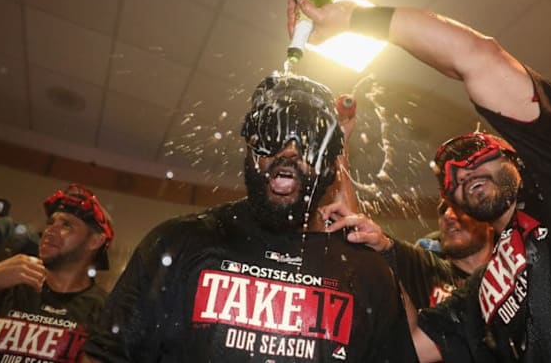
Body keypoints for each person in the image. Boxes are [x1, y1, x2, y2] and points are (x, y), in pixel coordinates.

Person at [293, 0, 551, 362]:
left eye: (475, 155)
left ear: (518, 160)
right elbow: (414, 344)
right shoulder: (482, 289)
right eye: (449, 178)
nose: (462, 172)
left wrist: (355, 19)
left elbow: (478, 57)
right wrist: (377, 259)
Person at [82, 75, 417, 362]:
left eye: (308, 143)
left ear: (330, 166)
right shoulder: (180, 241)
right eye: (271, 135)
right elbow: (106, 354)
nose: (287, 153)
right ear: (249, 150)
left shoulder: (366, 271)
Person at [0, 184, 115, 362]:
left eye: (67, 225)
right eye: (51, 222)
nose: (50, 230)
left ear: (95, 241)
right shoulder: (4, 285)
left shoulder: (105, 313)